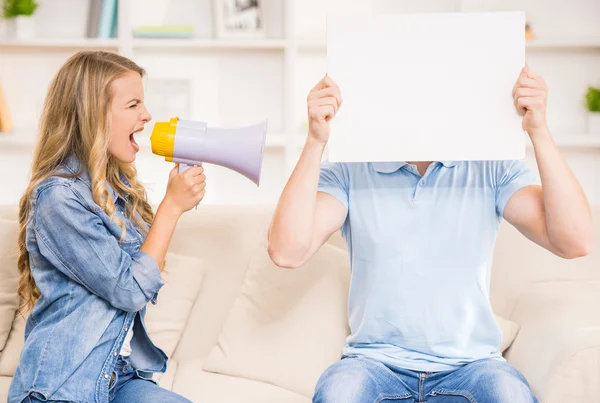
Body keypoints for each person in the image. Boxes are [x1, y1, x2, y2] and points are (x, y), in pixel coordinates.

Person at [267, 66, 594, 402]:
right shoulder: (351, 170)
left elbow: (575, 241)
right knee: (339, 393)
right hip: (373, 364)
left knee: (510, 395)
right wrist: (315, 141)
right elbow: (287, 251)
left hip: (473, 364)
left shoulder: (489, 167)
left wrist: (538, 131)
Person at [9, 51, 205, 403]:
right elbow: (128, 290)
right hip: (61, 388)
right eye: (133, 105)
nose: (147, 116)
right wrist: (171, 209)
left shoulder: (118, 193)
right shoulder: (58, 198)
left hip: (117, 379)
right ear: (93, 117)